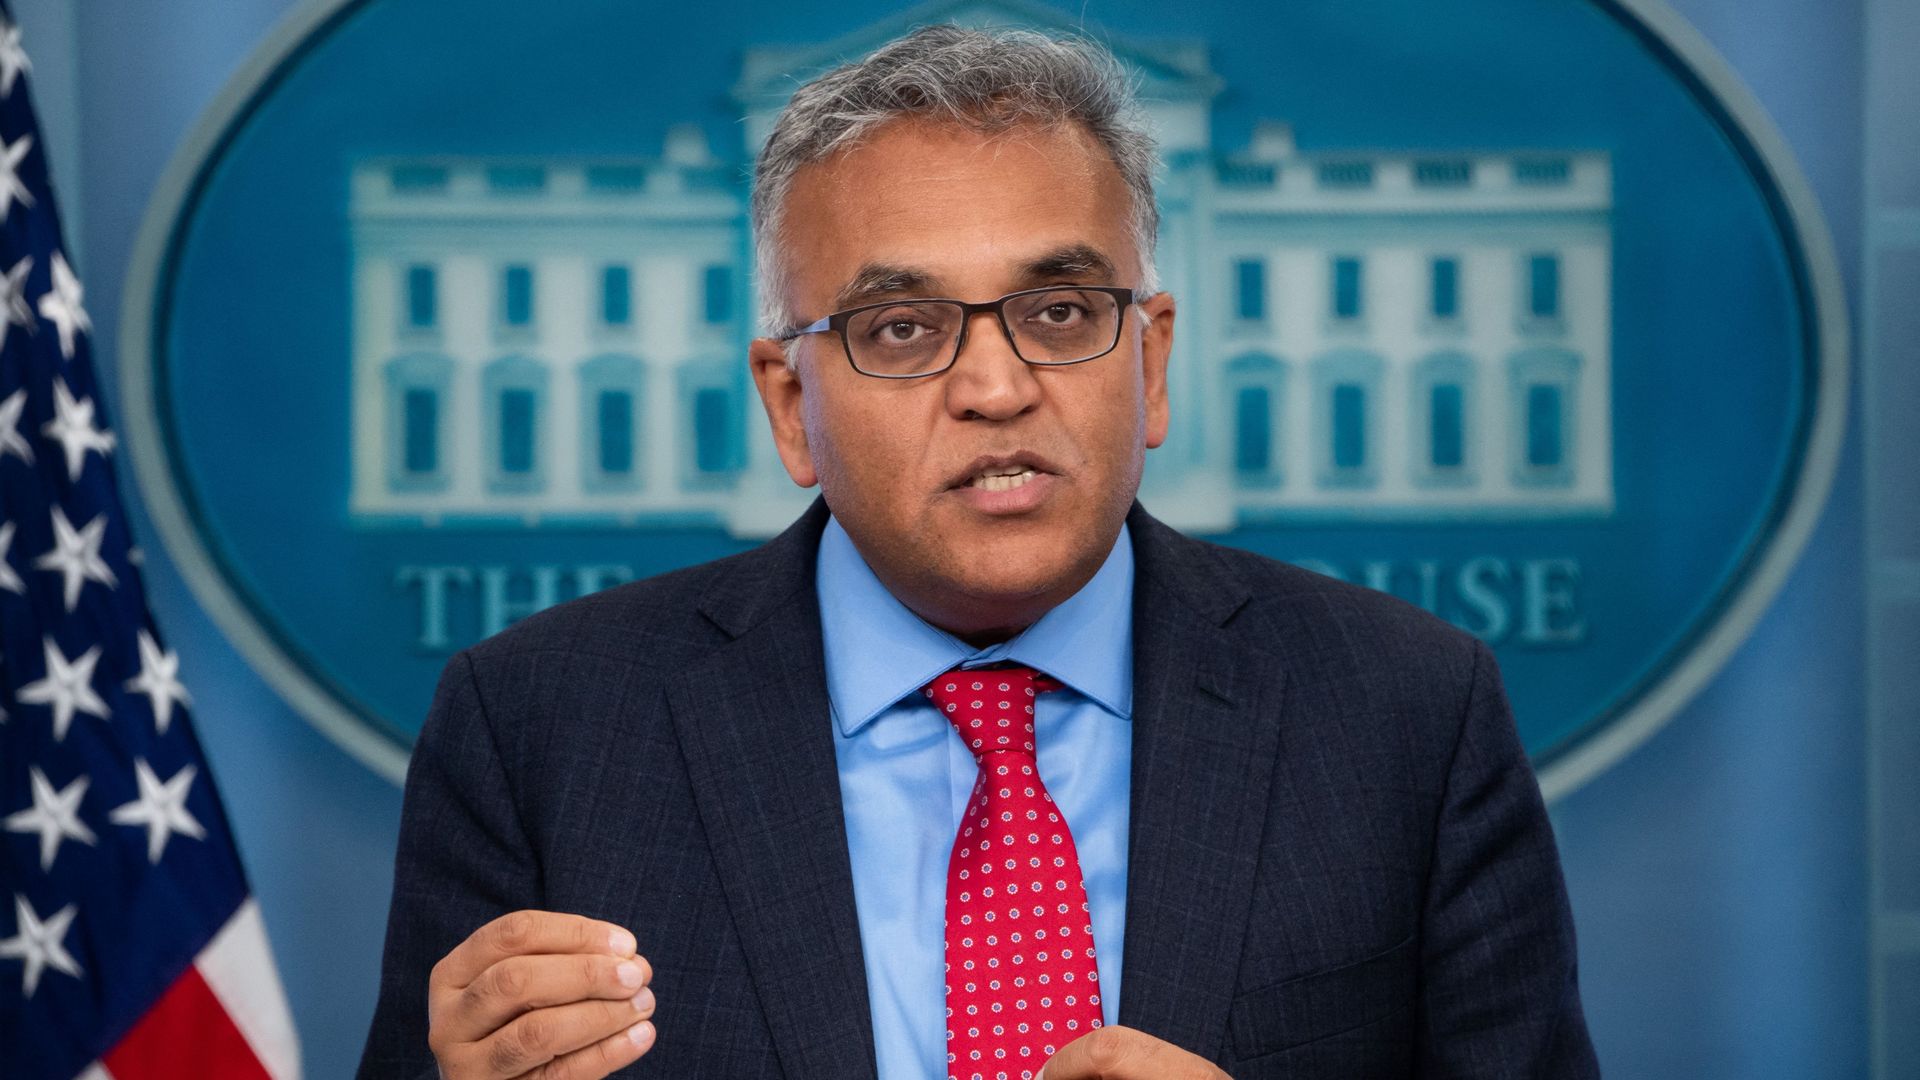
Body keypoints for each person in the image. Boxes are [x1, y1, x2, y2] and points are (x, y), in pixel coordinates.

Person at [358, 24, 1600, 1080]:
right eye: (903, 328)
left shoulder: (1408, 715)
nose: (997, 387)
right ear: (792, 409)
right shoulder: (537, 728)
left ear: (1151, 364)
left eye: (1060, 313)